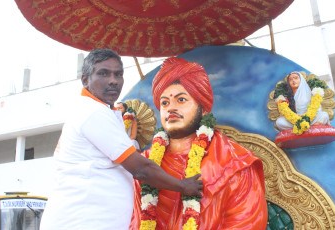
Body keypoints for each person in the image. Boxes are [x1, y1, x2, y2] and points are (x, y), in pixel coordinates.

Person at [40, 49, 203, 230]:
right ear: (85, 80)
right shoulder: (93, 113)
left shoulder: (103, 112)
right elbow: (141, 169)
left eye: (118, 74)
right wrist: (183, 186)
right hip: (82, 221)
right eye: (104, 73)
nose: (113, 81)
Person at [130, 57, 267, 229]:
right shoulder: (145, 165)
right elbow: (132, 221)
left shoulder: (236, 164)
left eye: (181, 100)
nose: (171, 108)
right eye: (164, 103)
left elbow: (247, 223)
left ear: (203, 108)